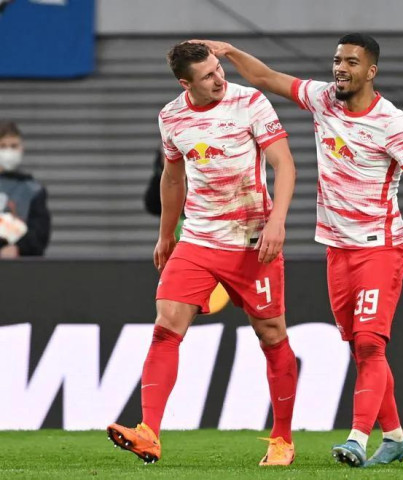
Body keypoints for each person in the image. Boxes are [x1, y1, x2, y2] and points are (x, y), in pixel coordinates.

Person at [195, 33, 403, 468]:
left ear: (371, 71)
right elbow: (265, 77)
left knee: (370, 343)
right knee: (360, 348)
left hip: (380, 247)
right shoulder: (323, 99)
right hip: (337, 249)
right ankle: (395, 437)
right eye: (337, 60)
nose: (340, 68)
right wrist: (229, 52)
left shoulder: (391, 122)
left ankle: (357, 439)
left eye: (351, 62)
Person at [106, 42, 299, 467]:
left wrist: (278, 221)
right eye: (208, 75)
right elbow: (173, 178)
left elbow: (284, 164)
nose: (219, 78)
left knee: (272, 336)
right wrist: (165, 235)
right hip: (199, 238)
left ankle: (282, 440)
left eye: (218, 69)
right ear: (185, 83)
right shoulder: (171, 117)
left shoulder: (250, 102)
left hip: (252, 239)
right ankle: (149, 432)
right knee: (165, 325)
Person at [0, 121, 51, 258]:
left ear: (21, 148)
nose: (8, 152)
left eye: (13, 146)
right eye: (3, 146)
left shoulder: (33, 190)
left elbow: (40, 233)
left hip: (20, 265)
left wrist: (17, 248)